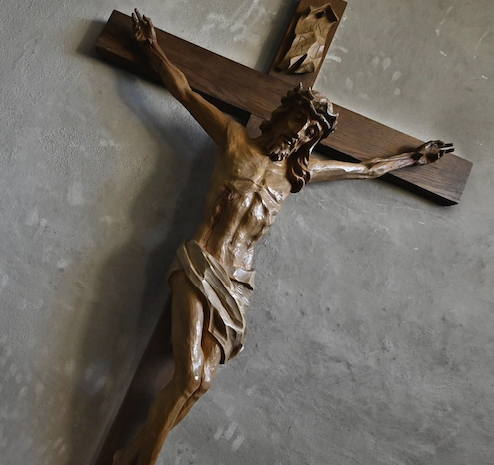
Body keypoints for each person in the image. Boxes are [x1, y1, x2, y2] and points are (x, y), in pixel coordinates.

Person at [114, 10, 454, 465]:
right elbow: (186, 92)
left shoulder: (295, 177)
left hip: (238, 283)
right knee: (189, 374)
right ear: (283, 115)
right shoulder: (234, 140)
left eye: (311, 132)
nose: (300, 133)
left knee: (201, 384)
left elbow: (366, 169)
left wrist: (413, 158)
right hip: (201, 261)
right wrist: (152, 48)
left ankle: (130, 455)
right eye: (298, 121)